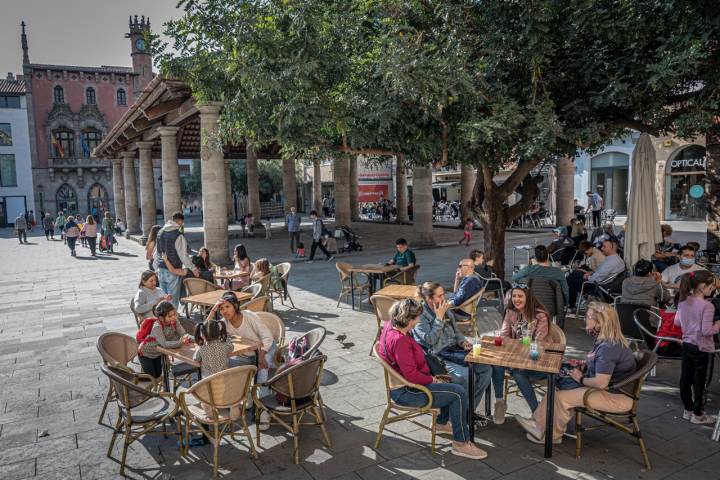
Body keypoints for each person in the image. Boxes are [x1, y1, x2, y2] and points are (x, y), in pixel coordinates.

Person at [378, 298, 488, 460]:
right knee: (458, 392)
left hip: (405, 385)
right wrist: (432, 380)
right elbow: (412, 375)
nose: (417, 322)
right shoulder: (400, 340)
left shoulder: (390, 326)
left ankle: (442, 423)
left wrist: (433, 377)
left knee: (450, 383)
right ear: (408, 320)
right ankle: (461, 443)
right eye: (416, 319)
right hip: (407, 391)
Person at [517, 302, 636, 444]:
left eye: (588, 317)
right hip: (613, 391)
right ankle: (539, 424)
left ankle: (552, 436)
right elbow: (604, 367)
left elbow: (601, 382)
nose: (585, 319)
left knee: (561, 397)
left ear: (600, 323)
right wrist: (583, 365)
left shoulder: (608, 348)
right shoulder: (607, 341)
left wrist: (580, 378)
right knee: (557, 388)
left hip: (616, 398)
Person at [413, 282, 493, 413]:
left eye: (443, 294)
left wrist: (462, 342)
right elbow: (430, 340)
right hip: (438, 357)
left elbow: (456, 331)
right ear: (428, 298)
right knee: (465, 376)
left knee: (486, 369)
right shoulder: (420, 315)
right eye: (439, 296)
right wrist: (438, 318)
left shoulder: (444, 309)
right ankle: (460, 415)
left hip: (455, 350)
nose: (443, 298)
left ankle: (468, 412)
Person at [211, 292, 275, 429]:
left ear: (235, 306)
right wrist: (212, 311)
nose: (224, 311)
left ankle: (263, 411)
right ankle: (241, 400)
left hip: (265, 349)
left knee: (262, 375)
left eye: (227, 307)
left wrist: (262, 356)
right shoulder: (224, 323)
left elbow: (268, 338)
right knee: (228, 371)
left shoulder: (249, 316)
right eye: (221, 308)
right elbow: (205, 331)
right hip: (245, 355)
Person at [491, 285, 551, 422]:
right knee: (496, 363)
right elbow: (504, 335)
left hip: (536, 360)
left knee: (518, 372)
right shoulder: (510, 312)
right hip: (516, 358)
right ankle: (500, 402)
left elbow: (538, 342)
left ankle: (537, 414)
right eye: (514, 296)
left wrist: (515, 345)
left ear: (528, 297)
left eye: (520, 296)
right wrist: (512, 344)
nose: (516, 299)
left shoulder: (540, 315)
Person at [674, 270, 719, 424]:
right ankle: (698, 414)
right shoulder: (708, 306)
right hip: (703, 348)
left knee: (686, 378)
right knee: (701, 382)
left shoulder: (683, 302)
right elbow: (707, 331)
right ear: (701, 286)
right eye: (711, 286)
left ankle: (688, 410)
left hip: (687, 345)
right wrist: (718, 325)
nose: (713, 288)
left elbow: (677, 323)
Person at [136, 301, 192, 379]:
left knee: (158, 374)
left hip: (158, 352)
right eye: (170, 316)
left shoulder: (175, 321)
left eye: (174, 314)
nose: (173, 317)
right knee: (152, 377)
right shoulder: (157, 327)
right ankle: (134, 378)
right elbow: (164, 344)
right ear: (161, 318)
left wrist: (192, 338)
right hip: (146, 353)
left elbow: (183, 334)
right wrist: (180, 342)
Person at [567, 237, 625, 309]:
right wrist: (591, 273)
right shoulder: (613, 259)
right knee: (575, 274)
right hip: (601, 284)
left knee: (572, 280)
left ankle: (569, 304)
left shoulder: (612, 262)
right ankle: (569, 303)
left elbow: (597, 278)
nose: (602, 248)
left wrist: (588, 277)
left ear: (611, 248)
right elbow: (601, 273)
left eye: (604, 247)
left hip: (598, 288)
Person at [155, 211, 199, 307]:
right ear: (180, 221)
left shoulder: (160, 232)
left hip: (161, 269)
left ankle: (165, 321)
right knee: (172, 303)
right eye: (182, 223)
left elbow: (157, 253)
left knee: (164, 301)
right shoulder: (178, 235)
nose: (182, 225)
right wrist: (193, 268)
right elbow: (183, 255)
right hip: (173, 270)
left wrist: (156, 268)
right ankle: (173, 321)